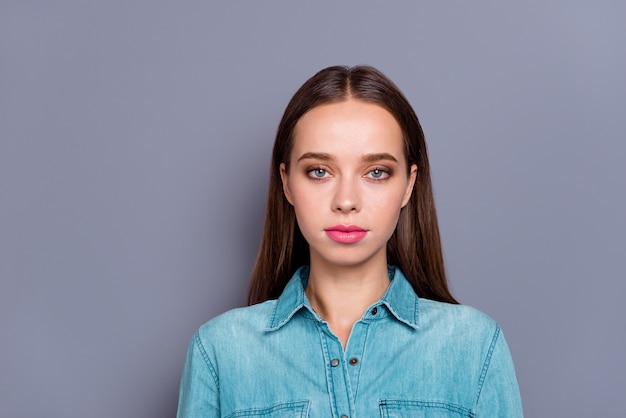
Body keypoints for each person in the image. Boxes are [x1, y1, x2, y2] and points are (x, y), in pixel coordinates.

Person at [177, 65, 523, 417]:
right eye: (319, 171)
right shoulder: (220, 351)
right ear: (286, 182)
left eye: (376, 172)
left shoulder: (474, 346)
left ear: (408, 184)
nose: (346, 200)